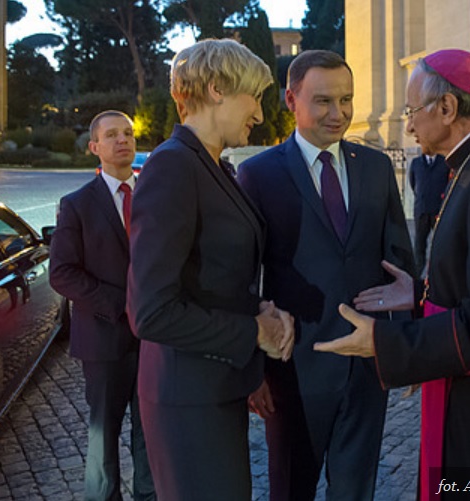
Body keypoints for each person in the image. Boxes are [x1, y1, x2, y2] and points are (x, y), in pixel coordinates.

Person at [315, 49, 470, 500]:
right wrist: (418, 295)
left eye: (413, 111)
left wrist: (385, 341)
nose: (409, 125)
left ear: (448, 108)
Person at [237, 50, 415, 500]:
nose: (339, 114)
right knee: (291, 489)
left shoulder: (376, 168)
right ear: (291, 99)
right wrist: (252, 369)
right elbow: (244, 278)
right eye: (323, 101)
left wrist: (405, 348)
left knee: (356, 492)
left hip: (367, 367)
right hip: (293, 373)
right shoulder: (257, 174)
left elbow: (400, 264)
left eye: (347, 99)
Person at [126, 39, 295, 501]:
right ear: (217, 89)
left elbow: (212, 275)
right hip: (186, 401)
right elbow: (150, 312)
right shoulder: (173, 167)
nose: (260, 114)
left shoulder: (211, 166)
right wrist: (252, 332)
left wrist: (261, 311)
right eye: (255, 97)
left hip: (213, 390)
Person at [49, 110, 155, 501]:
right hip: (104, 339)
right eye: (112, 135)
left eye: (128, 133)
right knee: (103, 439)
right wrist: (121, 304)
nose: (122, 140)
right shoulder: (76, 205)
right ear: (95, 147)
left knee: (151, 435)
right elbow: (61, 273)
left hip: (154, 339)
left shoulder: (156, 195)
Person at [409, 152, 449, 277]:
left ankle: (439, 275)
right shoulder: (416, 163)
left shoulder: (444, 162)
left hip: (439, 210)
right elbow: (413, 183)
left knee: (440, 244)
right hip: (421, 210)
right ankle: (417, 275)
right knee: (419, 245)